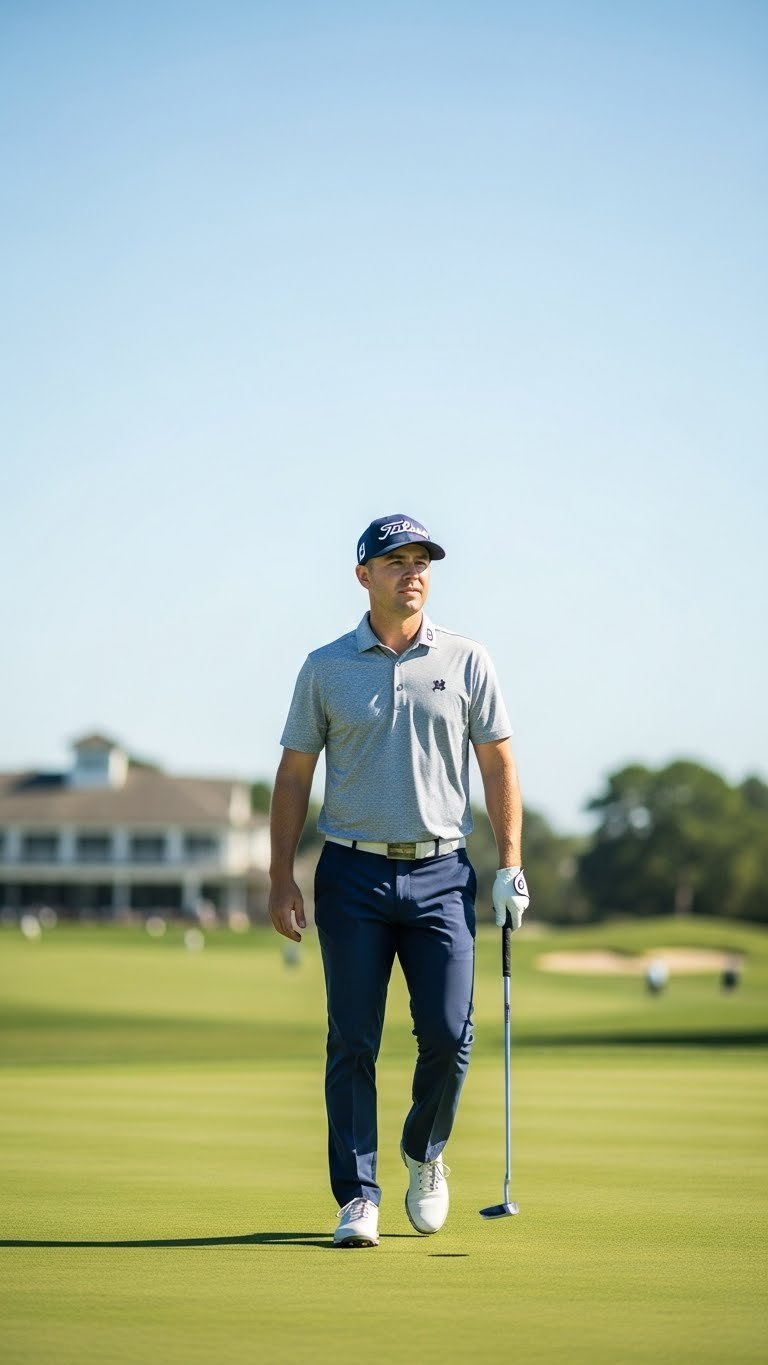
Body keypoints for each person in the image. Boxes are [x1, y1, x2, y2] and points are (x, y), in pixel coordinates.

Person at [268, 513, 529, 1248]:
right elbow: (293, 775)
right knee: (352, 1038)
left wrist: (510, 861)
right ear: (364, 576)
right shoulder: (325, 666)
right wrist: (280, 875)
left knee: (449, 1035)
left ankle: (424, 1149)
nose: (411, 571)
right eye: (394, 560)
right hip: (350, 871)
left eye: (421, 560)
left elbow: (500, 762)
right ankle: (358, 1195)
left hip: (444, 870)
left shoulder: (467, 658)